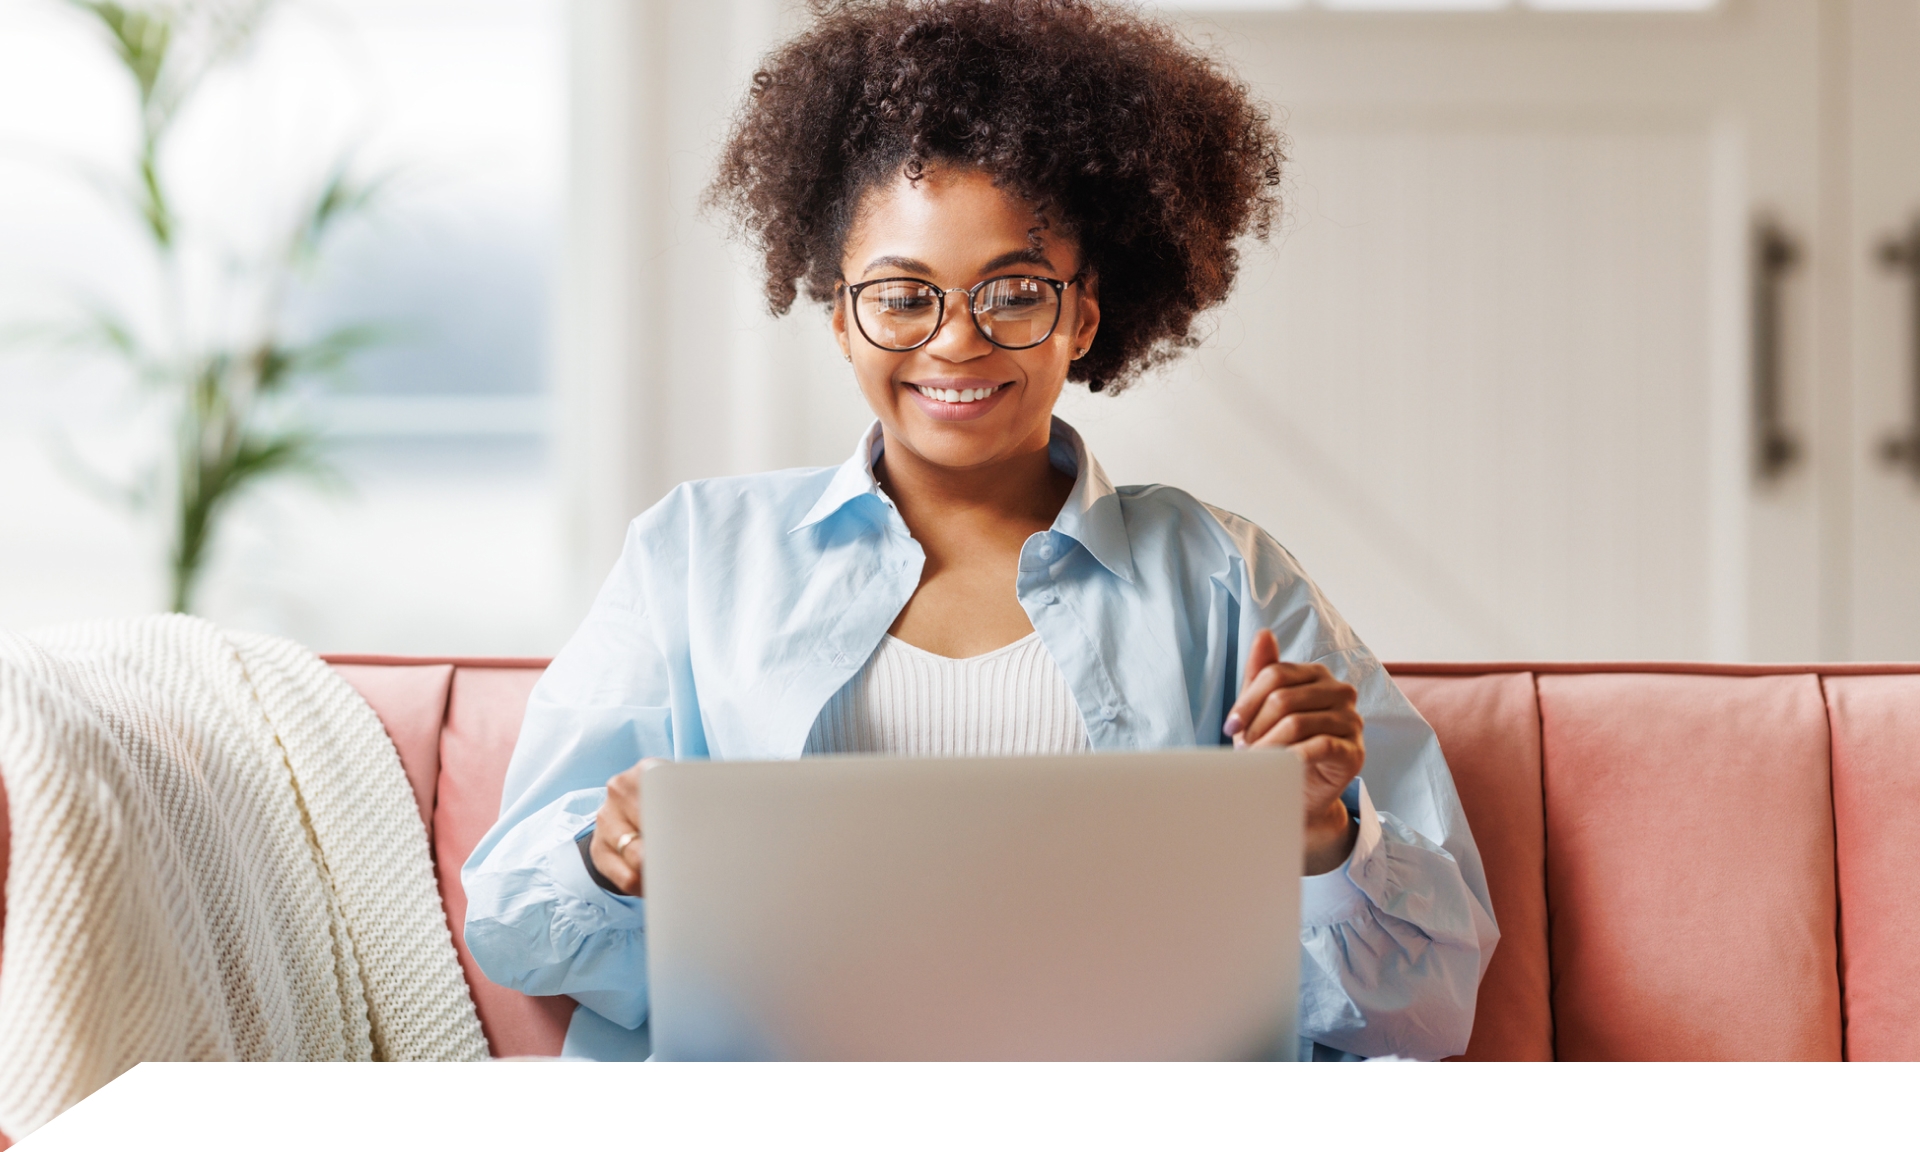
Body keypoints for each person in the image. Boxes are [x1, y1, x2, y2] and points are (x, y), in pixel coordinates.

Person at [463, 0, 1497, 1062]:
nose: (957, 340)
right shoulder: (692, 556)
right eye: (904, 296)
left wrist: (1323, 834)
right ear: (836, 314)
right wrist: (607, 859)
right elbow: (512, 923)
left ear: (1086, 315)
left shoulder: (1227, 577)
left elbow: (1427, 1010)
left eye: (1013, 291)